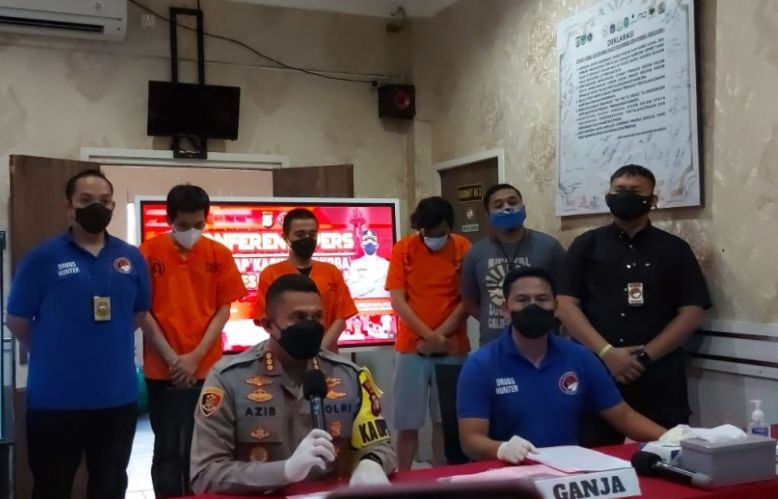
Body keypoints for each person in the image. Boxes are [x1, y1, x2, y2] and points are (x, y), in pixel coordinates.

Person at [6, 169, 152, 499]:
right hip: (54, 400)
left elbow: (138, 312)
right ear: (69, 205)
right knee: (52, 488)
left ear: (112, 206)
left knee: (110, 486)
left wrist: (104, 344)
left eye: (104, 200)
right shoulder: (42, 258)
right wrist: (50, 351)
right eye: (86, 200)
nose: (96, 206)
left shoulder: (130, 257)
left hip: (116, 398)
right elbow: (16, 319)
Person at [191, 274, 396, 495]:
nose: (310, 326)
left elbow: (380, 445)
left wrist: (372, 462)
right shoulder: (229, 379)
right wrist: (285, 471)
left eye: (317, 317)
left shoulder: (348, 376)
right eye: (298, 318)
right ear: (269, 325)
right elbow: (205, 474)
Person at [557, 165, 711, 448]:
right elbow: (565, 305)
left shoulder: (674, 248)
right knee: (594, 457)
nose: (626, 196)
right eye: (620, 190)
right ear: (608, 197)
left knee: (671, 452)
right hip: (597, 370)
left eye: (635, 191)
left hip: (660, 375)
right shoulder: (586, 245)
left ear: (653, 200)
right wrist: (607, 353)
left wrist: (644, 358)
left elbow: (693, 311)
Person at [456, 267, 667, 463]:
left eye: (542, 299)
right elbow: (470, 441)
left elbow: (624, 417)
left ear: (555, 307)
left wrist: (672, 437)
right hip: (504, 475)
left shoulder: (580, 357)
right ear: (506, 309)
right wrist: (501, 449)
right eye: (522, 300)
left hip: (566, 473)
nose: (533, 306)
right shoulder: (480, 365)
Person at [139, 184, 248, 498]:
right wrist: (174, 360)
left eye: (199, 224)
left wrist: (196, 357)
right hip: (163, 370)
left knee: (208, 446)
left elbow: (223, 309)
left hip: (209, 370)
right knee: (167, 448)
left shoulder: (219, 253)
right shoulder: (147, 253)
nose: (192, 231)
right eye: (183, 225)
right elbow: (141, 311)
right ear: (169, 219)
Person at [385, 196, 471, 470]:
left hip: (452, 346)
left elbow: (467, 300)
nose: (434, 238)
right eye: (428, 233)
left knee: (446, 420)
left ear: (450, 226)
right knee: (407, 422)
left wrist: (438, 338)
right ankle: (403, 477)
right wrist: (428, 337)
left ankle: (442, 476)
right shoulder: (403, 249)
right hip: (411, 348)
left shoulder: (463, 247)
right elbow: (398, 300)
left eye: (440, 232)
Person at [460, 183, 566, 347]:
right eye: (498, 205)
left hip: (544, 344)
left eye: (512, 202)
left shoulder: (550, 247)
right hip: (493, 345)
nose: (507, 208)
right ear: (488, 215)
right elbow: (469, 302)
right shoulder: (476, 252)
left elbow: (566, 297)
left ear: (523, 207)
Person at [254, 208, 358, 353]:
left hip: (327, 355)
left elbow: (341, 318)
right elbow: (268, 320)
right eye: (300, 234)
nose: (307, 239)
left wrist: (319, 351)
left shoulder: (332, 272)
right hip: (284, 355)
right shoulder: (270, 274)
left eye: (312, 234)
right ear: (285, 237)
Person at [347, 229, 391, 298]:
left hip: (383, 303)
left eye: (372, 241)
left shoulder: (386, 264)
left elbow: (390, 291)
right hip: (362, 304)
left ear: (377, 245)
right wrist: (376, 278)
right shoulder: (355, 264)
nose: (369, 243)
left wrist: (363, 283)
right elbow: (354, 291)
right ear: (362, 245)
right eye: (366, 241)